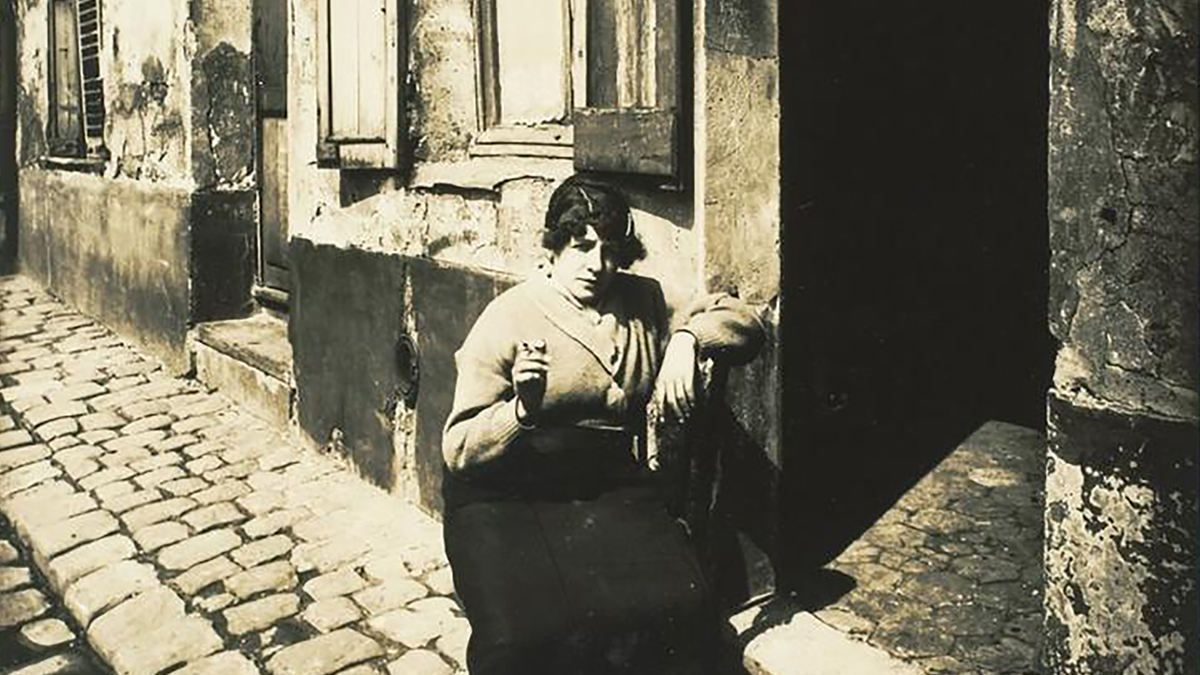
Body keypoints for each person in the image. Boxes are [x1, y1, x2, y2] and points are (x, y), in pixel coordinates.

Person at [441, 175, 765, 675]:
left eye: (611, 250)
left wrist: (687, 339)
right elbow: (459, 448)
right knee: (524, 637)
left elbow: (743, 324)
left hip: (607, 484)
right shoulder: (508, 316)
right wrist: (521, 412)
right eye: (582, 247)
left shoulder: (642, 300)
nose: (597, 264)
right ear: (552, 249)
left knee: (682, 609)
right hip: (507, 492)